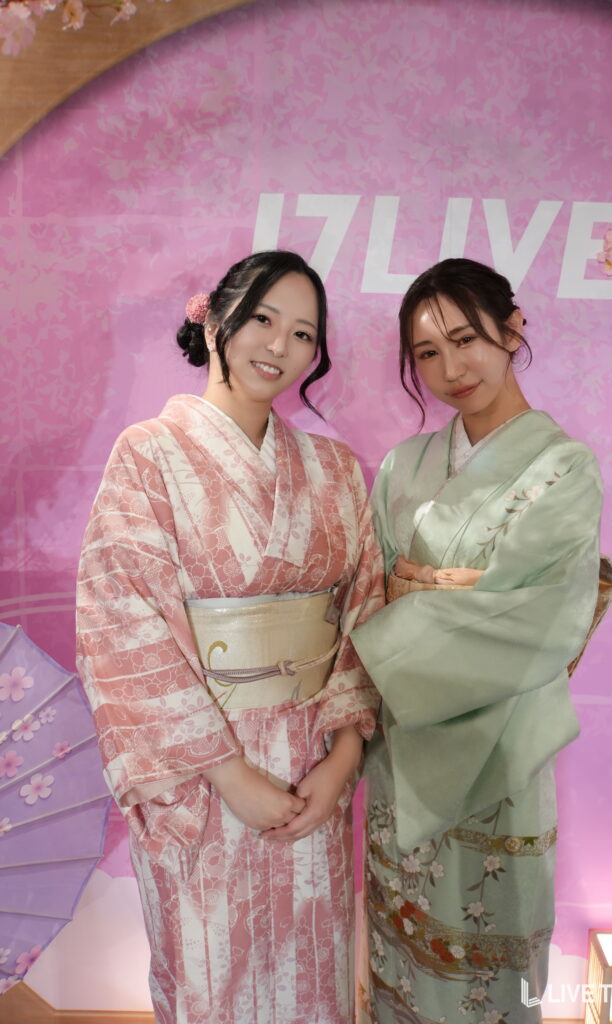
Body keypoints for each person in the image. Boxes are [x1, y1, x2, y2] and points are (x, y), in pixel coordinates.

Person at [76, 250, 384, 1024]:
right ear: (213, 318)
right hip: (205, 774)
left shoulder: (338, 471)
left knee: (313, 971)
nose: (279, 347)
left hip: (310, 766)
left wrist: (343, 759)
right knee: (213, 976)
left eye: (304, 334)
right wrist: (228, 774)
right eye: (261, 320)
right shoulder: (146, 456)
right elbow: (123, 625)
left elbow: (365, 617)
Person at [351, 258, 603, 1024]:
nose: (449, 369)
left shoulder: (565, 468)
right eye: (427, 353)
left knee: (489, 953)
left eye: (465, 340)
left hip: (500, 755)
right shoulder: (403, 465)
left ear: (512, 328)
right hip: (403, 759)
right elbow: (367, 598)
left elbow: (540, 620)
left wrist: (414, 594)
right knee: (400, 951)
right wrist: (456, 591)